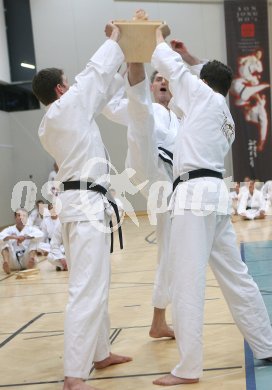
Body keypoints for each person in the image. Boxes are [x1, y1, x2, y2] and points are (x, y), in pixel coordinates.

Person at [151, 26, 272, 386]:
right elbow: (194, 77)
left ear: (203, 83)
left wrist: (156, 37)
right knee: (236, 276)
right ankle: (266, 345)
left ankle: (189, 368)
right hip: (215, 195)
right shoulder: (223, 115)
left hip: (194, 196)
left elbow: (172, 68)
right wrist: (193, 58)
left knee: (187, 281)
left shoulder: (203, 97)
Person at [32, 22, 132, 390]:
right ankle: (74, 374)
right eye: (68, 82)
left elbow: (101, 88)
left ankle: (99, 353)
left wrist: (127, 65)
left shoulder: (54, 122)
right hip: (85, 205)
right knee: (86, 289)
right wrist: (115, 39)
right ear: (61, 89)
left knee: (94, 284)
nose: (74, 85)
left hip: (80, 205)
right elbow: (95, 74)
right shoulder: (68, 109)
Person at [103, 35, 201, 339]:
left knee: (169, 250)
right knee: (141, 114)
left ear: (172, 87)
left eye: (164, 79)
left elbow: (204, 85)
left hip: (169, 186)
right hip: (144, 166)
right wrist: (124, 63)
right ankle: (135, 62)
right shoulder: (147, 108)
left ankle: (158, 320)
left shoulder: (183, 117)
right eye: (155, 78)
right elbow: (107, 105)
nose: (161, 82)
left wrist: (186, 56)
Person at [0, 208, 43, 274]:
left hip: (27, 260)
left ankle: (31, 260)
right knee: (4, 240)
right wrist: (13, 237)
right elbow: (1, 236)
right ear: (15, 217)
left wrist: (25, 237)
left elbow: (41, 234)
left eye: (24, 215)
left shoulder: (31, 229)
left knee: (34, 240)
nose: (21, 218)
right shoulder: (10, 229)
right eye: (19, 215)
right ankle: (6, 263)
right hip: (13, 262)